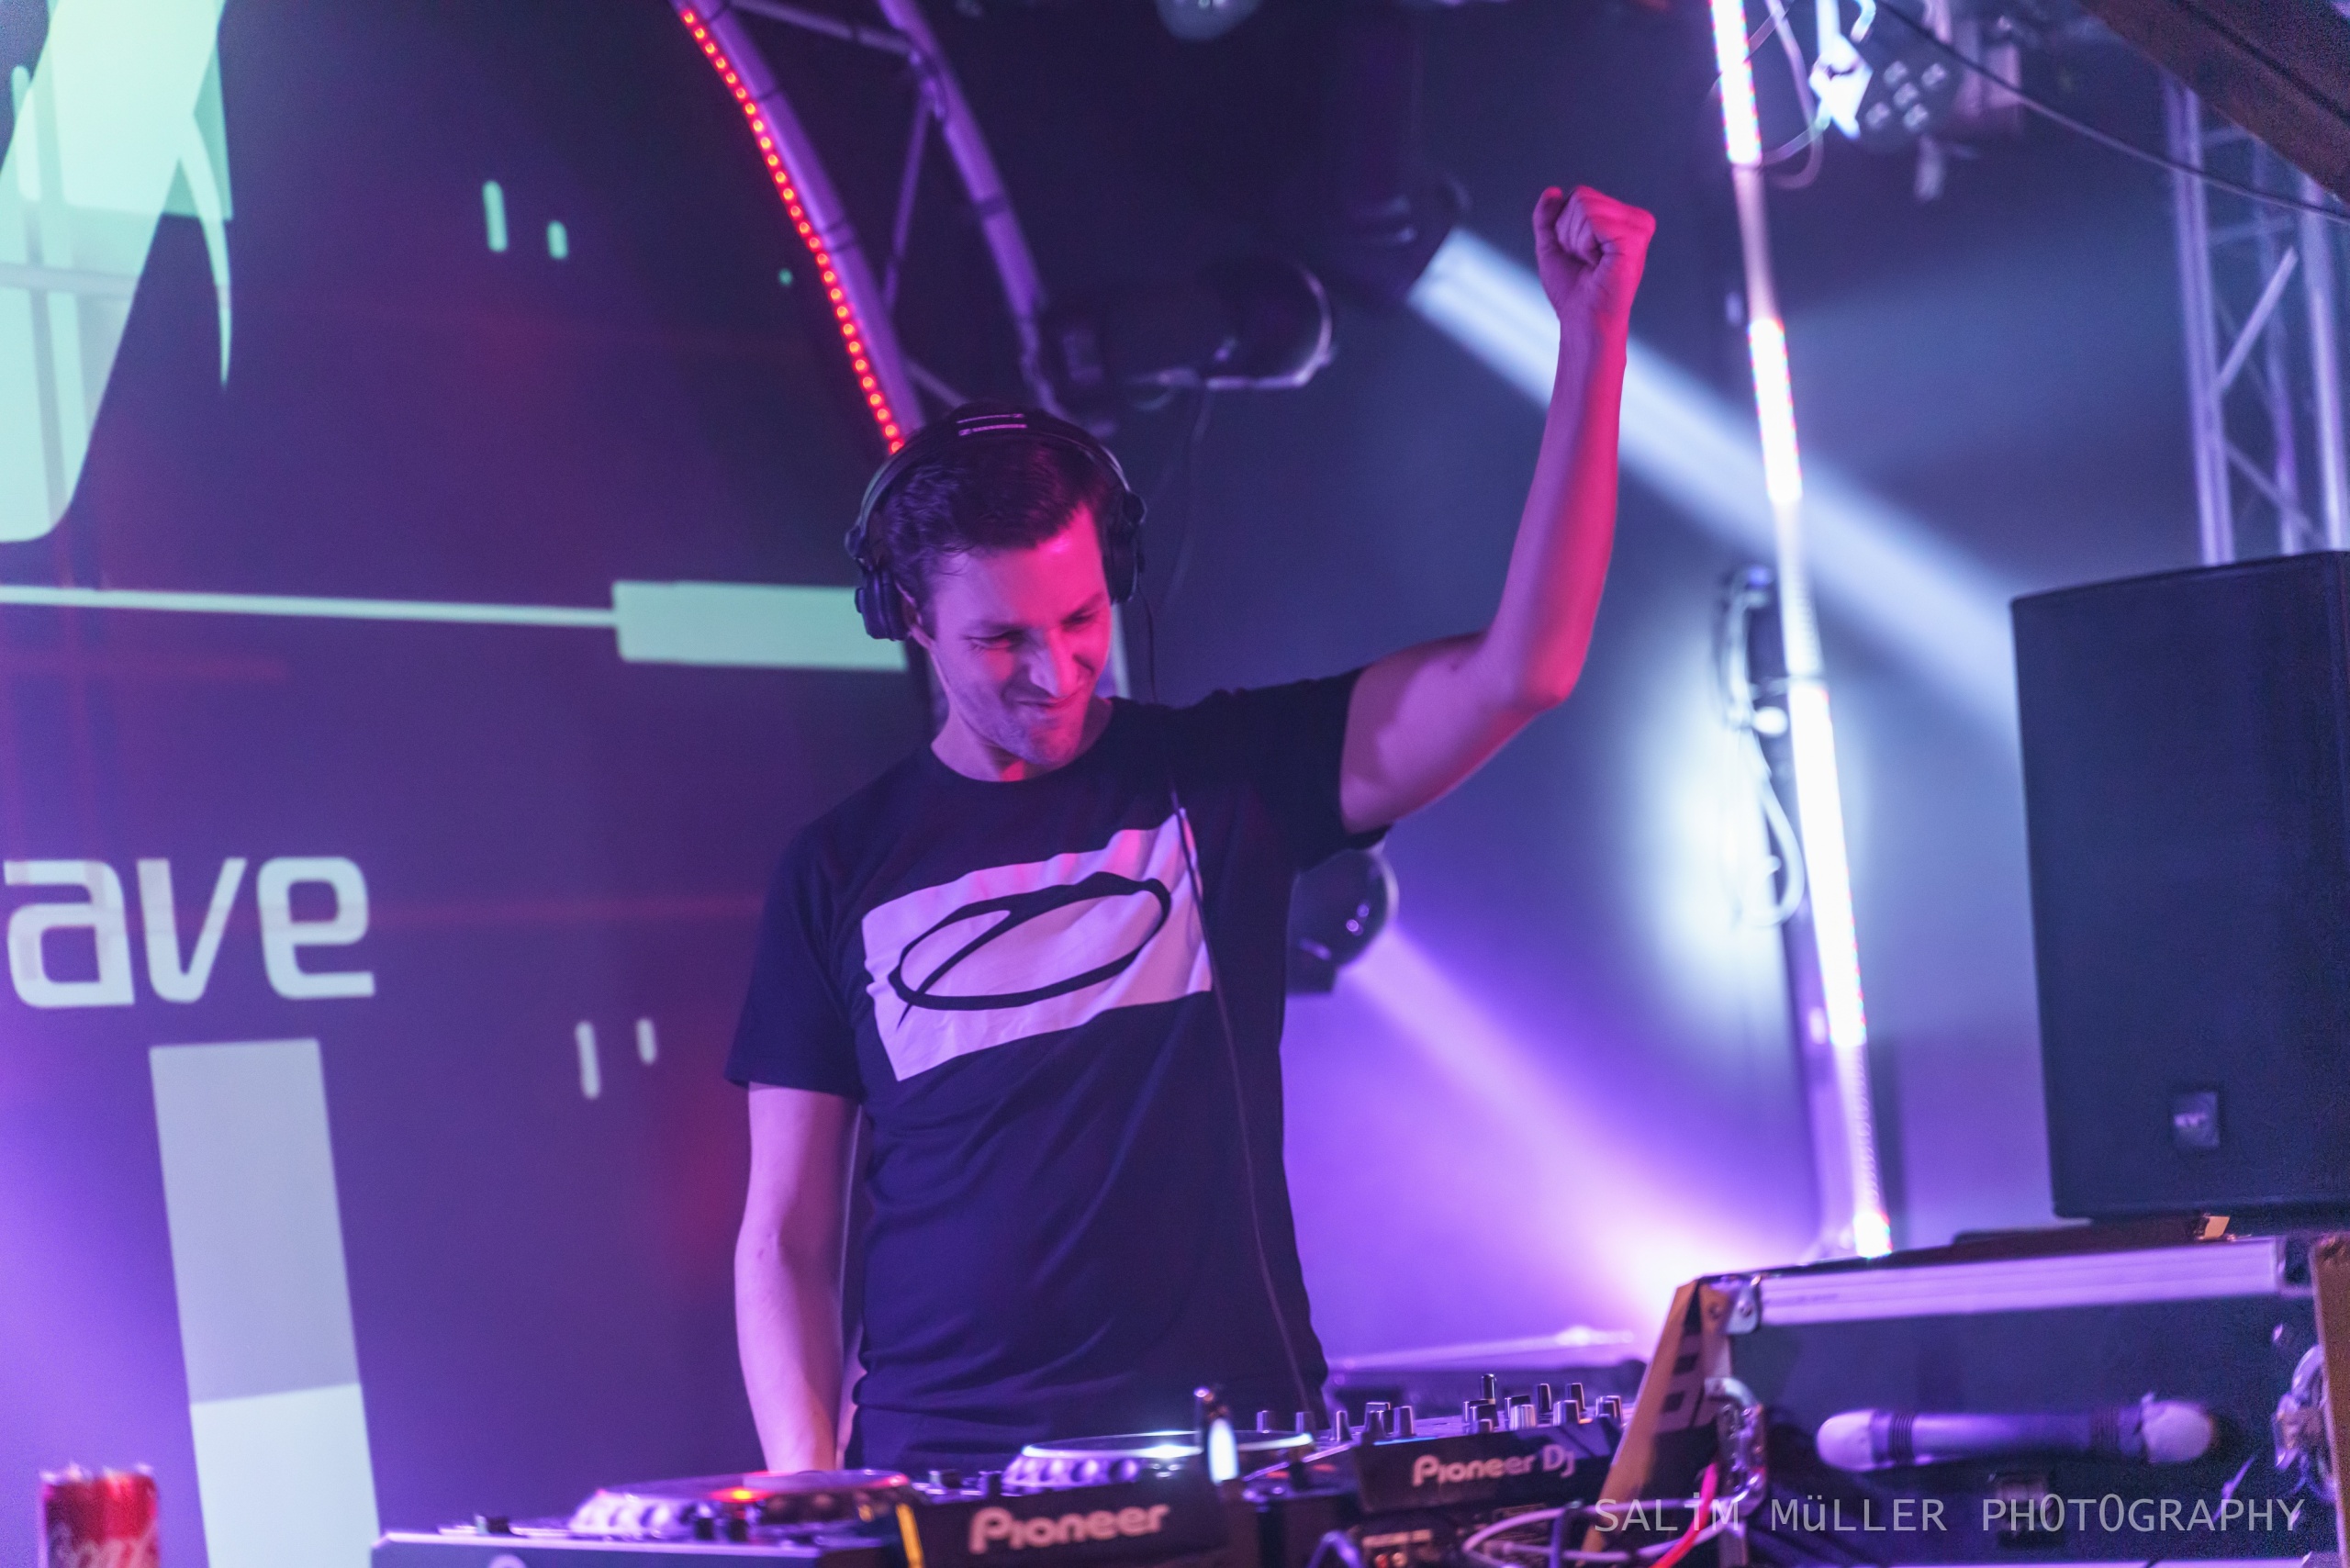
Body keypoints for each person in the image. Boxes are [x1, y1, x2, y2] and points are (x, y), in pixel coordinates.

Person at [728, 185, 1654, 1474]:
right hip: (941, 1470)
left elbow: (1523, 672)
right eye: (1001, 639)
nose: (1055, 670)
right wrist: (812, 1501)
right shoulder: (837, 870)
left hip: (1228, 1455)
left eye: (1080, 619)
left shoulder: (1224, 777)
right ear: (912, 623)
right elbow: (785, 1238)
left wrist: (1593, 339)